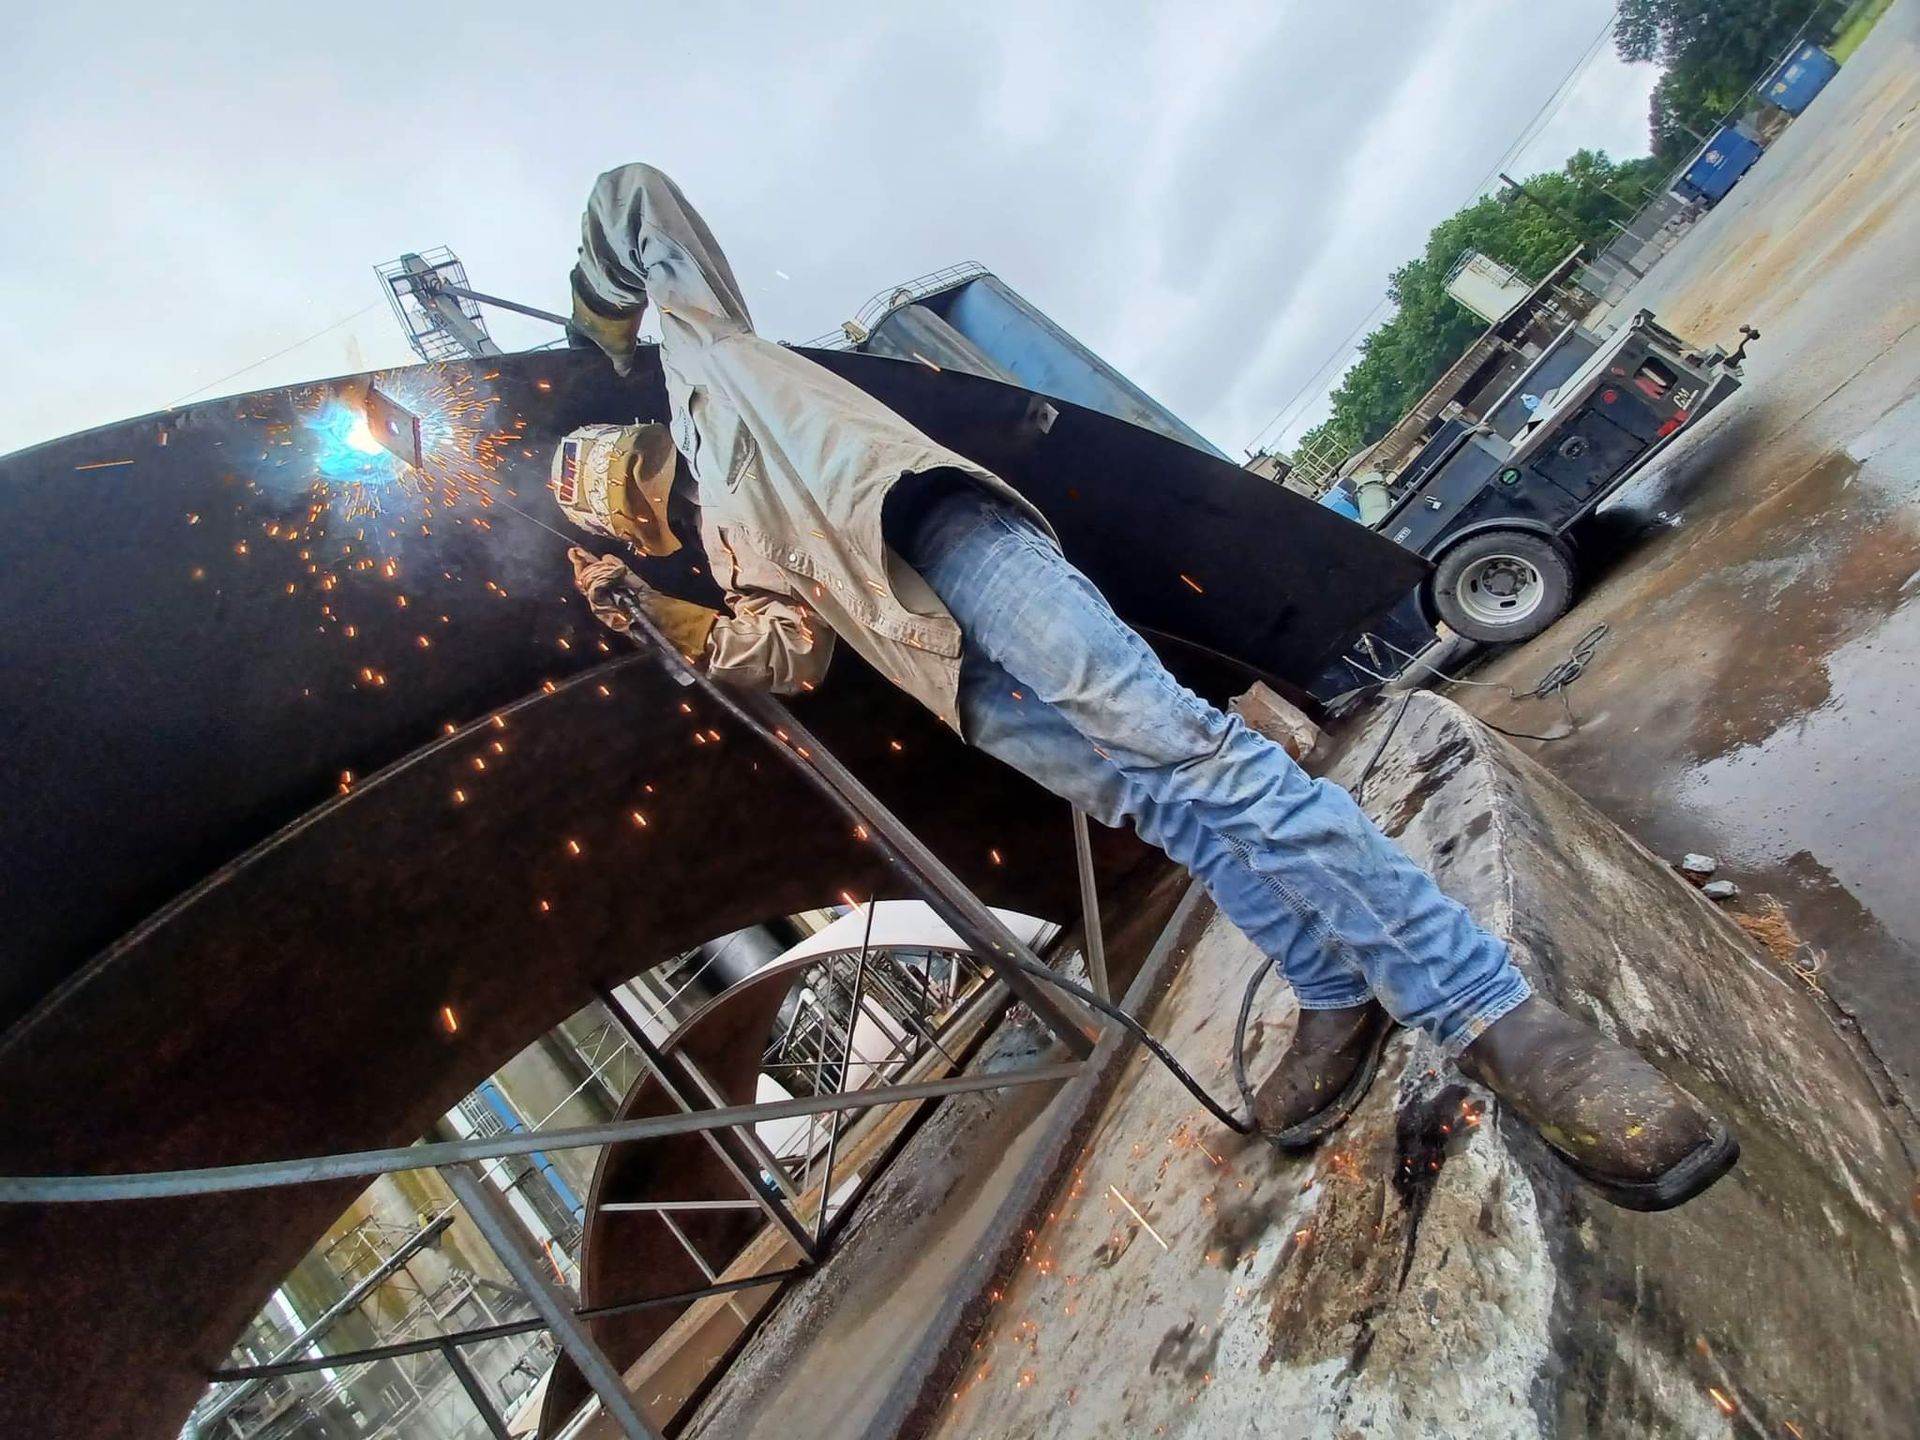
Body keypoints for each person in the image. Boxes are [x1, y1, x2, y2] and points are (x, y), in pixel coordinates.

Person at [555, 163, 1737, 1213]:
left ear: (630, 464)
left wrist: (605, 320)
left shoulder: (704, 359)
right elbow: (796, 656)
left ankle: (1491, 1015)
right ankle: (1333, 980)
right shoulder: (720, 553)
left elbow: (634, 194)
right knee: (1167, 811)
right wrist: (674, 620)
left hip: (955, 551)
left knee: (1195, 760)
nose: (642, 508)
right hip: (948, 675)